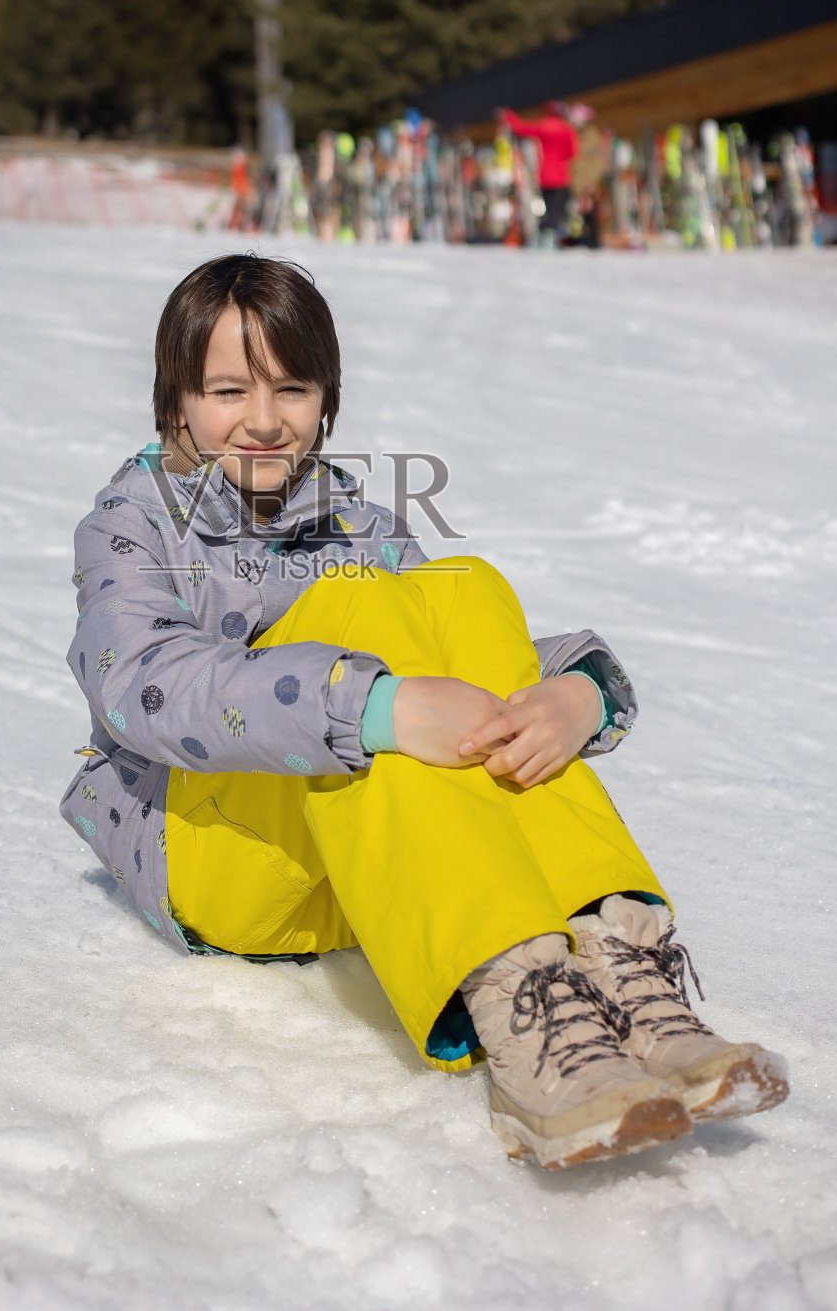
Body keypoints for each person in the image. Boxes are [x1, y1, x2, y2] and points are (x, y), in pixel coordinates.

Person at [62, 254, 788, 1171]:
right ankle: (521, 1020)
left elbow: (457, 657)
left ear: (326, 400)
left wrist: (577, 695)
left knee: (462, 588)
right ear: (175, 403)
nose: (261, 419)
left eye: (292, 387)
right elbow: (143, 687)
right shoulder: (136, 523)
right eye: (226, 390)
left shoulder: (356, 523)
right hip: (218, 866)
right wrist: (375, 707)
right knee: (363, 616)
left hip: (367, 882)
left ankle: (613, 963)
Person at [498, 101, 579, 243]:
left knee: (547, 209)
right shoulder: (567, 129)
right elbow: (572, 153)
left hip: (544, 175)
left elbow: (521, 128)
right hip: (561, 176)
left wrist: (509, 116)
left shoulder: (543, 126)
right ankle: (549, 236)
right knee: (557, 209)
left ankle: (546, 234)